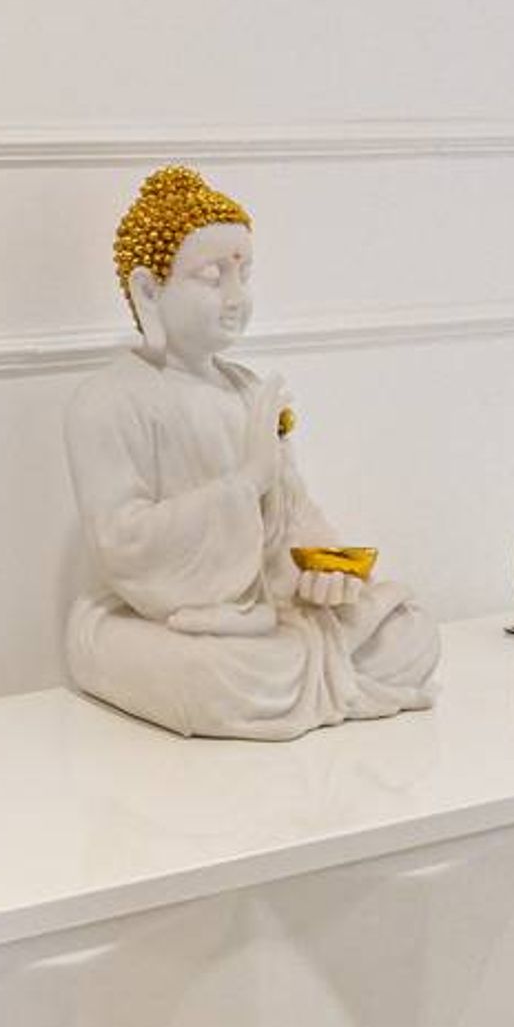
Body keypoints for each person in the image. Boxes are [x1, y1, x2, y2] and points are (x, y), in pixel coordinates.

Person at [64, 165, 441, 741]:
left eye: (245, 275)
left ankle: (313, 667)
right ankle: (298, 672)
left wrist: (325, 571)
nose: (237, 298)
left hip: (269, 617)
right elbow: (122, 542)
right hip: (162, 623)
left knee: (408, 632)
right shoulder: (107, 401)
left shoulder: (245, 390)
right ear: (149, 290)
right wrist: (244, 483)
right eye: (212, 277)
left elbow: (294, 516)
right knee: (207, 676)